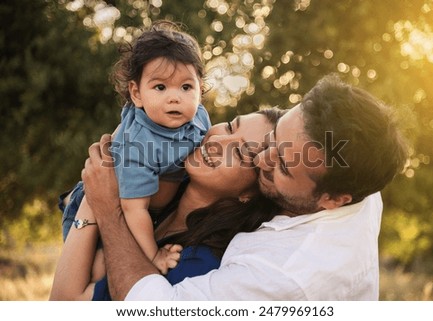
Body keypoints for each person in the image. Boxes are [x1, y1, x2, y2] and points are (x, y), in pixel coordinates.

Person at [78, 74, 409, 300]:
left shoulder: (283, 274)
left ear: (333, 199)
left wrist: (107, 209)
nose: (262, 158)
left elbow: (148, 309)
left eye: (281, 165)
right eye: (274, 140)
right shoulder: (358, 165)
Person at [50, 107, 284, 300]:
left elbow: (64, 304)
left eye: (240, 152)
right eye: (231, 126)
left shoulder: (196, 262)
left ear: (249, 194)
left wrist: (100, 200)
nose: (217, 140)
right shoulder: (161, 188)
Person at [60, 20, 212, 281]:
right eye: (160, 87)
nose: (175, 97)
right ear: (136, 93)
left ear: (199, 87)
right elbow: (133, 209)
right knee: (98, 271)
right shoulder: (138, 143)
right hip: (110, 205)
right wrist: (154, 256)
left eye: (186, 87)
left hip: (152, 210)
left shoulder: (198, 117)